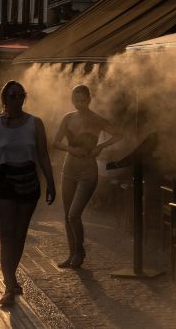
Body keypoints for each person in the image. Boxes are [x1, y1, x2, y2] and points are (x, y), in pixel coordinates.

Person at [0, 80, 56, 306]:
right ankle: (9, 284)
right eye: (12, 95)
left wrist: (51, 182)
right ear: (4, 99)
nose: (17, 99)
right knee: (6, 233)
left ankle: (12, 278)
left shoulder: (35, 123)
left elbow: (43, 155)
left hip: (28, 179)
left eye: (20, 95)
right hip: (2, 180)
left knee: (20, 234)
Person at [53, 85, 123, 268]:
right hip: (69, 168)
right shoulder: (67, 118)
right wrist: (70, 148)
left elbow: (119, 134)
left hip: (88, 170)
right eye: (76, 100)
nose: (79, 104)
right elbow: (56, 142)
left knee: (74, 214)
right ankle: (72, 253)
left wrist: (100, 147)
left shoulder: (96, 119)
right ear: (72, 100)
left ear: (89, 99)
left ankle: (80, 250)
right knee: (67, 215)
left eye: (83, 100)